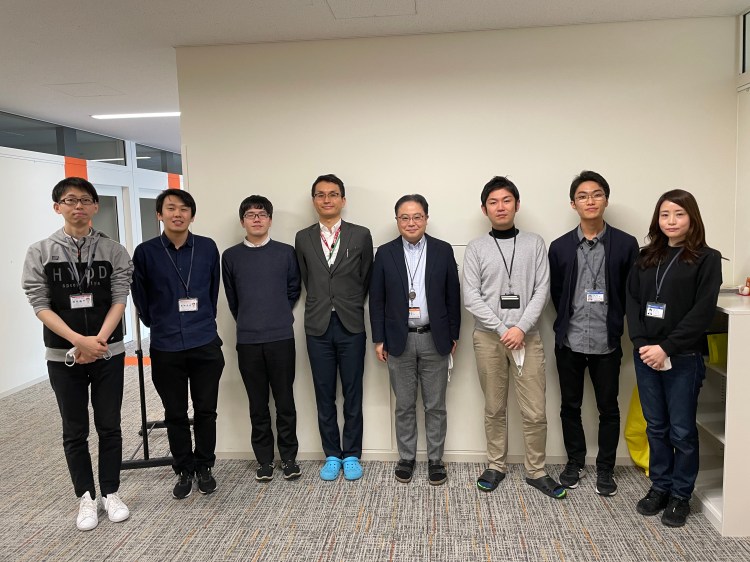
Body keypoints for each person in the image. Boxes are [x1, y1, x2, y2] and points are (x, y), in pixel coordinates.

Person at [22, 177, 133, 531]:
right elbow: (40, 304)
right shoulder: (40, 252)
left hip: (108, 351)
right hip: (63, 356)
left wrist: (97, 341)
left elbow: (120, 297)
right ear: (58, 207)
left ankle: (111, 492)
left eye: (85, 200)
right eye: (70, 200)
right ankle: (85, 496)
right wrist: (77, 341)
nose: (78, 206)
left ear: (95, 206)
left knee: (109, 425)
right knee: (74, 429)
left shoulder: (114, 250)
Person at [463, 176, 565, 499]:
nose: (500, 207)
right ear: (484, 209)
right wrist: (502, 329)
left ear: (517, 205)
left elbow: (542, 290)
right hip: (488, 338)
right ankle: (496, 465)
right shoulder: (476, 248)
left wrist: (520, 328)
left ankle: (537, 470)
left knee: (535, 410)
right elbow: (471, 296)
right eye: (493, 202)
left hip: (527, 337)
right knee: (494, 407)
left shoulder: (535, 243)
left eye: (506, 200)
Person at [626, 189, 722, 527]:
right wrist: (642, 343)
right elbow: (633, 302)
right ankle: (660, 487)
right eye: (665, 214)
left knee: (681, 430)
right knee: (656, 427)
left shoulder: (707, 258)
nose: (671, 221)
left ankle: (681, 495)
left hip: (682, 356)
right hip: (646, 356)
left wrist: (665, 347)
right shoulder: (646, 256)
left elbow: (702, 312)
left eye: (679, 214)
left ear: (692, 218)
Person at [548, 171, 639, 496]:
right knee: (569, 407)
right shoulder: (560, 247)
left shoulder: (626, 244)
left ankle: (605, 469)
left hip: (607, 343)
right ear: (573, 203)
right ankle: (575, 463)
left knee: (608, 409)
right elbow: (557, 294)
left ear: (606, 200)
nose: (590, 201)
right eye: (583, 196)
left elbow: (631, 293)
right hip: (570, 342)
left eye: (596, 194)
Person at [132, 188, 225, 499]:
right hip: (166, 345)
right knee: (175, 412)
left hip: (204, 341)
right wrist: (159, 322)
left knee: (206, 411)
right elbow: (141, 298)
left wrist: (201, 320)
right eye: (170, 208)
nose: (177, 214)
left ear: (192, 216)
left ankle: (205, 466)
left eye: (184, 209)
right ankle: (184, 469)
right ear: (159, 214)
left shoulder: (208, 248)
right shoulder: (145, 252)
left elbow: (212, 291)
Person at [369, 194, 461, 485]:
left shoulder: (442, 250)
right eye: (405, 217)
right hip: (399, 340)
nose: (411, 222)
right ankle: (406, 458)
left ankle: (435, 460)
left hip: (435, 338)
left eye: (417, 216)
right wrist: (379, 339)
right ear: (397, 220)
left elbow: (453, 296)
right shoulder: (385, 253)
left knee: (435, 405)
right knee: (404, 405)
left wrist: (453, 335)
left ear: (426, 218)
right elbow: (377, 300)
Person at [295, 174, 373, 481]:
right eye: (320, 195)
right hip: (317, 326)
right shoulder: (303, 238)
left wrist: (347, 302)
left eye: (333, 194)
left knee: (353, 392)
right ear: (314, 200)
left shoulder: (361, 235)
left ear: (343, 199)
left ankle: (351, 453)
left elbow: (366, 278)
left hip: (351, 324)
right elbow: (305, 278)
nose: (327, 199)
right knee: (323, 393)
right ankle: (331, 454)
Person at [222, 195, 302, 482]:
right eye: (250, 214)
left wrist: (277, 313)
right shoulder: (230, 256)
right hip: (248, 340)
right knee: (257, 404)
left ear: (270, 220)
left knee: (285, 402)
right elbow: (233, 299)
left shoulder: (286, 253)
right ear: (242, 221)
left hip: (281, 337)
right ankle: (264, 460)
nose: (256, 219)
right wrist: (250, 319)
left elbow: (293, 290)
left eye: (262, 214)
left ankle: (289, 458)